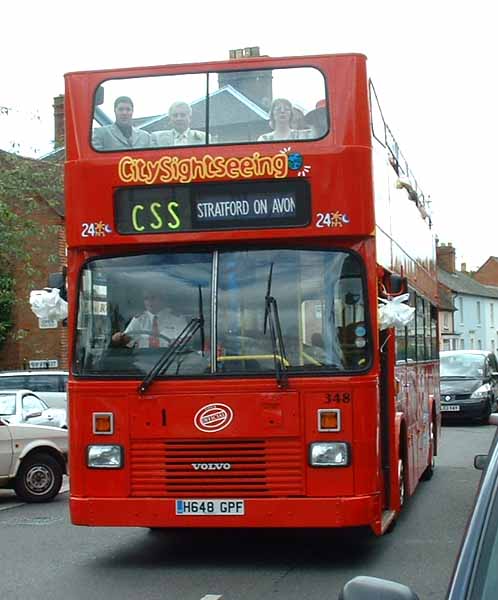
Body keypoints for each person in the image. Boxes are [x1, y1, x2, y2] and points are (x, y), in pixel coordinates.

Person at [111, 288, 187, 349]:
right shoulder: (139, 319)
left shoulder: (177, 318)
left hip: (169, 361)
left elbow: (187, 341)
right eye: (146, 298)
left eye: (153, 298)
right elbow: (127, 340)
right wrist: (119, 338)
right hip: (142, 362)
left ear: (162, 299)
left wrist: (179, 343)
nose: (149, 302)